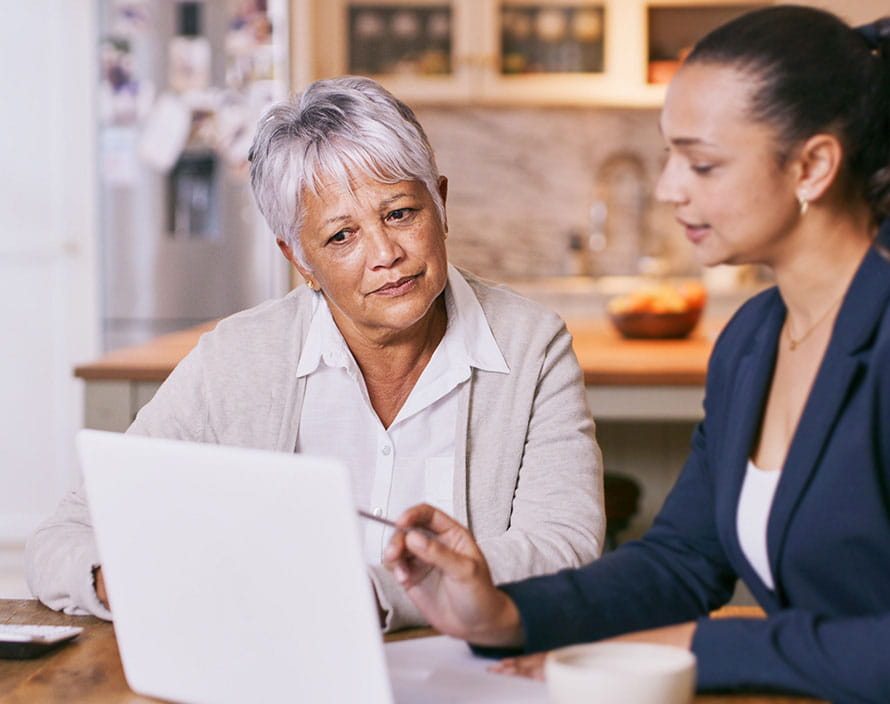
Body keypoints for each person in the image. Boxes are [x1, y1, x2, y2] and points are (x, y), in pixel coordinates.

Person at [380, 6, 890, 701]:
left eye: (703, 164)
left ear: (812, 165)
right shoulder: (754, 338)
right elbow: (684, 561)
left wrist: (698, 647)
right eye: (670, 157)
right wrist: (506, 613)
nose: (668, 190)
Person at [25, 76, 604, 632]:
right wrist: (118, 580)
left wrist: (373, 594)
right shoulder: (236, 360)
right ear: (300, 258)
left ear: (441, 205)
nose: (385, 253)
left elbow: (564, 545)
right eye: (340, 236)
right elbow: (65, 537)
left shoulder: (532, 345)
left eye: (400, 213)